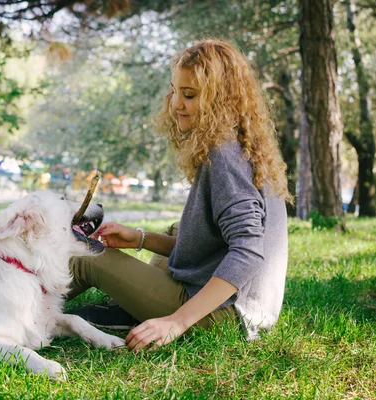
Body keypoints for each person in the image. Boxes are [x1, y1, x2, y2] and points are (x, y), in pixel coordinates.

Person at [68, 39, 292, 351]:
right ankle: (129, 306)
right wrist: (138, 238)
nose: (176, 104)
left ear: (222, 100)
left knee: (86, 258)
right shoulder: (241, 145)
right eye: (175, 91)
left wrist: (176, 322)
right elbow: (210, 245)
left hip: (227, 316)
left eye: (189, 95)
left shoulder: (224, 158)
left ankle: (17, 312)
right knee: (180, 228)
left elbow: (249, 251)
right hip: (244, 309)